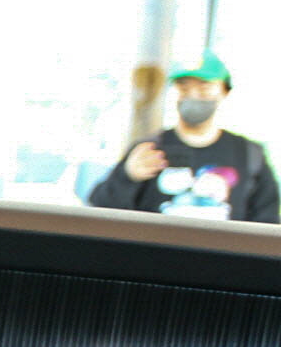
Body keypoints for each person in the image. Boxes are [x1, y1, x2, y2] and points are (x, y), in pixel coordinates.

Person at [87, 51, 278, 223]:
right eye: (184, 88)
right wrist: (127, 176)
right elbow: (102, 212)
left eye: (204, 87)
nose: (193, 95)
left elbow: (267, 222)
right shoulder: (149, 149)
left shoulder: (248, 154)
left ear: (224, 91)